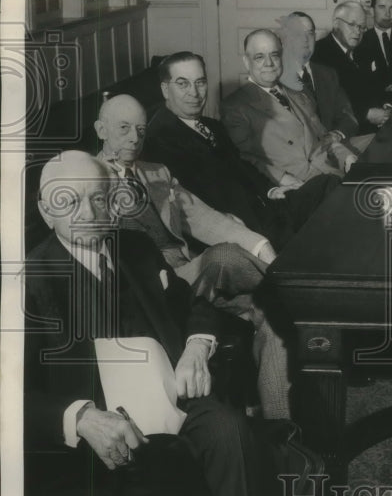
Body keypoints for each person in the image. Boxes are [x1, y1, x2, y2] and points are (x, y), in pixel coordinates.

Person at [23, 151, 278, 496]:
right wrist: (79, 416)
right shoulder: (28, 281)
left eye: (98, 198)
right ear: (46, 211)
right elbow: (12, 394)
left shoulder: (136, 247)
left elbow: (195, 305)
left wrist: (196, 347)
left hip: (174, 400)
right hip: (101, 426)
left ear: (113, 203)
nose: (88, 214)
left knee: (229, 430)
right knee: (155, 477)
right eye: (69, 200)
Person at [95, 94, 290, 420]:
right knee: (224, 257)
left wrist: (262, 248)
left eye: (141, 130)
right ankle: (298, 290)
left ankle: (283, 435)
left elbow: (203, 219)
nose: (134, 138)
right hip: (155, 287)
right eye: (123, 128)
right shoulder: (88, 178)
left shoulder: (156, 172)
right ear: (101, 129)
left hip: (192, 275)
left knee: (274, 319)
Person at [144, 51, 337, 250]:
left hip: (268, 210)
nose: (194, 92)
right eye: (183, 84)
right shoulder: (158, 140)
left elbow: (240, 164)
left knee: (330, 185)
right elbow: (188, 208)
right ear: (166, 90)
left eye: (200, 82)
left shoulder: (212, 125)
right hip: (243, 233)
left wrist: (270, 190)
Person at [223, 29, 358, 186]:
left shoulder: (299, 93)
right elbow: (244, 159)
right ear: (247, 62)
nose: (269, 63)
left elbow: (323, 139)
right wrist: (281, 178)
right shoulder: (235, 106)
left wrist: (347, 157)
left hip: (332, 176)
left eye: (274, 55)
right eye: (259, 57)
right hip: (295, 188)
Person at [312, 1, 392, 131]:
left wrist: (387, 106)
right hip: (344, 132)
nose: (358, 32)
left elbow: (383, 84)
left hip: (377, 126)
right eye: (352, 25)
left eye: (362, 27)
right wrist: (365, 114)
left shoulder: (364, 49)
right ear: (336, 24)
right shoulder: (319, 53)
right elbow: (323, 105)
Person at [277, 11, 360, 136]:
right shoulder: (277, 77)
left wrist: (336, 135)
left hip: (336, 144)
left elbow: (348, 118)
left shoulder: (328, 74)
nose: (305, 39)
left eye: (310, 33)